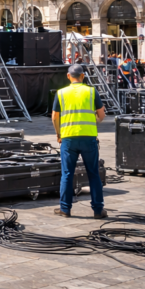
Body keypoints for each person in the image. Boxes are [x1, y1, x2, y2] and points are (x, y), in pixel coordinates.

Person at [52, 64, 106, 218]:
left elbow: (55, 117)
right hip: (89, 138)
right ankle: (98, 210)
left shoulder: (61, 93)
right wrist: (91, 123)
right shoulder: (91, 91)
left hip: (68, 138)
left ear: (68, 76)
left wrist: (58, 134)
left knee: (67, 174)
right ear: (83, 76)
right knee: (93, 174)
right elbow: (101, 115)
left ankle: (65, 209)